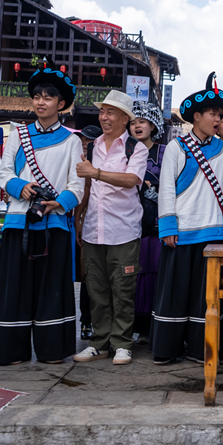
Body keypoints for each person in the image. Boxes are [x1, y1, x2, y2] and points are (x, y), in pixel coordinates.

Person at [0, 66, 84, 363]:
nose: (41, 102)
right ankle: (11, 351)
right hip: (18, 221)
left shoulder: (72, 141)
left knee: (51, 289)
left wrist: (58, 203)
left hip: (54, 224)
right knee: (15, 286)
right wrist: (20, 186)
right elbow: (4, 173)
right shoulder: (18, 135)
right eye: (37, 97)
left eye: (49, 98)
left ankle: (52, 350)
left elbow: (76, 185)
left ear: (61, 104)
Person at [151, 73, 223, 365]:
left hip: (211, 233)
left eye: (220, 114)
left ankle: (200, 349)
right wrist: (168, 225)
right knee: (173, 293)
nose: (218, 120)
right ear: (196, 116)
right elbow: (167, 189)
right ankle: (167, 348)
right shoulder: (177, 147)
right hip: (181, 230)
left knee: (205, 297)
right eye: (213, 114)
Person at [73, 91, 147, 366]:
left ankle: (122, 343)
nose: (104, 117)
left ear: (125, 118)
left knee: (123, 288)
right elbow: (87, 187)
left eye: (111, 112)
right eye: (102, 112)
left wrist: (98, 172)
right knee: (96, 289)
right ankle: (98, 342)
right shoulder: (91, 147)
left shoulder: (135, 148)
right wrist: (78, 219)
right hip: (93, 228)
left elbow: (132, 179)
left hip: (124, 230)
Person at [129, 101, 167, 345]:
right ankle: (136, 326)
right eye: (132, 122)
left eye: (142, 121)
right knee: (134, 273)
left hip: (156, 223)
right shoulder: (125, 151)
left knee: (155, 271)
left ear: (153, 125)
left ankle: (155, 326)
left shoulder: (165, 152)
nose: (137, 126)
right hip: (130, 221)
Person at [73, 125, 102, 340]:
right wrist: (77, 220)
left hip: (100, 222)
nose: (85, 143)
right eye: (83, 140)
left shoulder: (101, 162)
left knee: (97, 276)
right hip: (79, 221)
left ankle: (96, 322)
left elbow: (88, 191)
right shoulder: (74, 160)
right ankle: (86, 321)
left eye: (89, 141)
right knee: (86, 276)